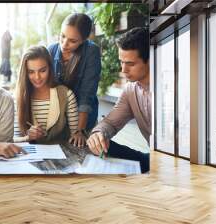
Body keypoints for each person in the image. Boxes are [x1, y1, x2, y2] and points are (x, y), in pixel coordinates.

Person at [86, 27, 151, 173]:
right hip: (152, 158)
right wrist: (98, 134)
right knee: (106, 146)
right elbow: (110, 123)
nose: (123, 70)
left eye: (130, 64)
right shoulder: (130, 90)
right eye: (121, 62)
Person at [48, 13, 101, 147]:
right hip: (57, 116)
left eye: (72, 41)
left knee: (79, 148)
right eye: (62, 36)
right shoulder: (50, 50)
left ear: (83, 40)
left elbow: (87, 93)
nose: (64, 44)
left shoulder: (91, 52)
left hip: (82, 117)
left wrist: (79, 130)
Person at [15, 46, 79, 145]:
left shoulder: (66, 95)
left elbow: (75, 137)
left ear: (50, 68)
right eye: (31, 72)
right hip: (29, 157)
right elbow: (12, 140)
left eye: (42, 70)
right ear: (25, 73)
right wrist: (28, 137)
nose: (37, 77)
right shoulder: (19, 98)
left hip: (63, 156)